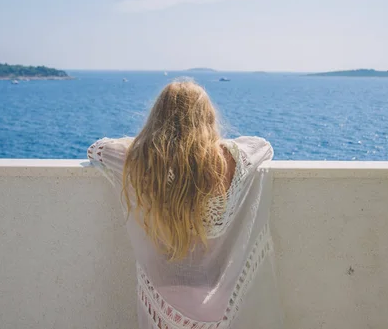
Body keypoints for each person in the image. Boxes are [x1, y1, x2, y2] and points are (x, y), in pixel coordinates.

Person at [88, 80, 283, 328]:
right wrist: (214, 146)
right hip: (217, 301)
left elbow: (97, 149)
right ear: (207, 117)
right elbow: (263, 147)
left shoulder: (139, 161)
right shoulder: (230, 160)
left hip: (164, 296)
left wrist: (147, 143)